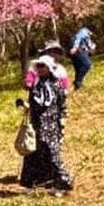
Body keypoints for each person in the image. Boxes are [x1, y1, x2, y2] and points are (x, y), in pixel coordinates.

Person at [19, 55, 74, 193]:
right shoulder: (39, 84)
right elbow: (35, 103)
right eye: (38, 66)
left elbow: (59, 103)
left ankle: (63, 181)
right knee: (35, 152)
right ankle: (39, 182)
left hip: (50, 125)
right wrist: (25, 105)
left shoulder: (53, 85)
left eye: (42, 66)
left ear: (49, 68)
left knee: (51, 153)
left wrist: (61, 118)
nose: (39, 69)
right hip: (39, 123)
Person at [68, 24, 96, 90]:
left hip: (80, 52)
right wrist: (75, 47)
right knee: (87, 65)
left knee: (79, 68)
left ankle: (78, 85)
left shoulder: (85, 33)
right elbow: (78, 38)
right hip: (78, 51)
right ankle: (78, 81)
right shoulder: (84, 32)